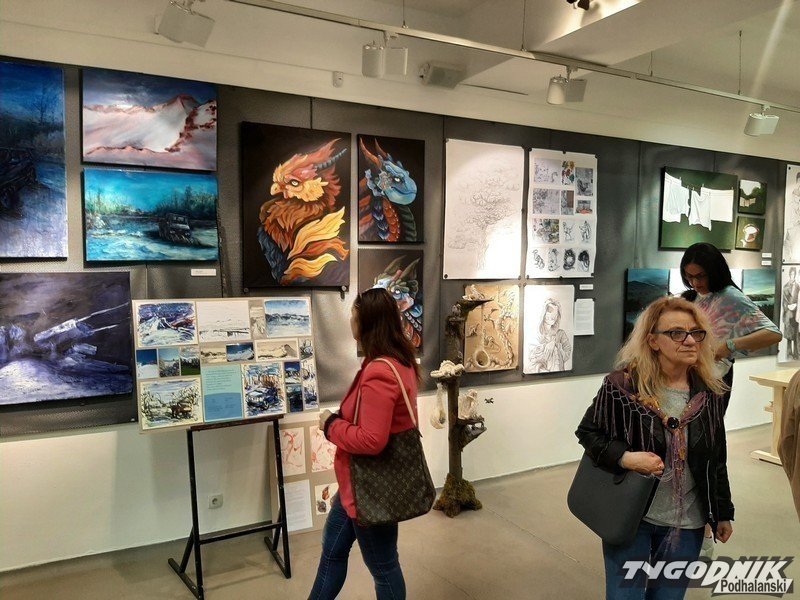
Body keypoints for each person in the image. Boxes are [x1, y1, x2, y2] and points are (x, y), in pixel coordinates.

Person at [576, 296, 734, 600]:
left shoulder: (710, 393)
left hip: (687, 523)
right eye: (677, 333)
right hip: (632, 517)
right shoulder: (622, 387)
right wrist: (626, 458)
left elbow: (716, 456)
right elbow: (588, 432)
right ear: (653, 341)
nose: (690, 341)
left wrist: (722, 512)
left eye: (696, 333)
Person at [309, 287, 420, 600]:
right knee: (332, 552)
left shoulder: (380, 371)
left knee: (384, 568)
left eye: (354, 314)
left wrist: (331, 425)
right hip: (356, 486)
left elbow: (372, 440)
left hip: (371, 489)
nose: (350, 320)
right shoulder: (397, 362)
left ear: (367, 322)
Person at [679, 242, 781, 408]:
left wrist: (729, 345)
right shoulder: (693, 296)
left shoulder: (730, 297)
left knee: (709, 424)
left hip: (714, 380)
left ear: (714, 272)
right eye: (689, 277)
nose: (695, 283)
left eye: (701, 276)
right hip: (690, 377)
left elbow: (773, 334)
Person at [528, 298, 572, 372]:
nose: (553, 316)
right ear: (543, 313)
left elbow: (567, 353)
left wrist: (555, 344)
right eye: (550, 311)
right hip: (542, 375)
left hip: (560, 374)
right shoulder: (536, 335)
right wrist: (546, 346)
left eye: (555, 313)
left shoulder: (561, 334)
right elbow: (532, 361)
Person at [782, 267, 799, 360]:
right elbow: (784, 301)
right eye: (791, 274)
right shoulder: (785, 286)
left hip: (796, 314)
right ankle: (789, 353)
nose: (793, 276)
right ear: (789, 275)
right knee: (788, 335)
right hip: (788, 313)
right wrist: (787, 307)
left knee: (796, 335)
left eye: (794, 274)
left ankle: (796, 354)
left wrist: (796, 305)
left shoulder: (798, 286)